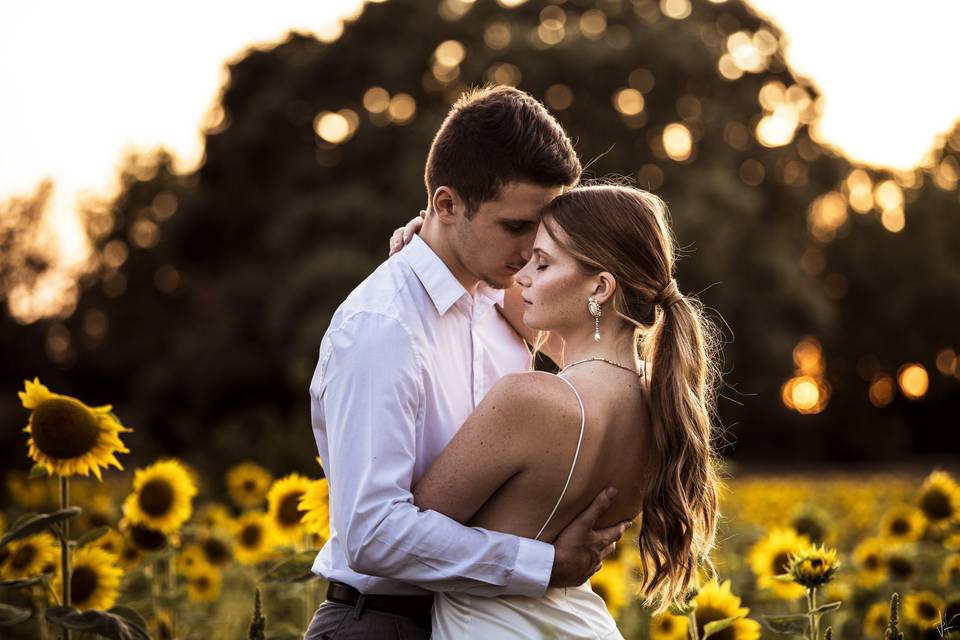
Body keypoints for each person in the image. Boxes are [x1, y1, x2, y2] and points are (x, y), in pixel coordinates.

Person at [305, 85, 632, 640]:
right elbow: (370, 533)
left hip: (474, 622)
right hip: (381, 623)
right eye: (515, 226)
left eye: (544, 226)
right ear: (447, 204)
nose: (533, 249)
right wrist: (541, 566)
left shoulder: (504, 300)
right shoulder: (382, 329)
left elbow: (603, 352)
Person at [394, 184, 724, 638]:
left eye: (542, 263)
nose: (522, 275)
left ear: (600, 287)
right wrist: (442, 248)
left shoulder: (529, 402)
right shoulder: (659, 398)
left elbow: (403, 537)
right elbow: (509, 300)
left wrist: (439, 249)